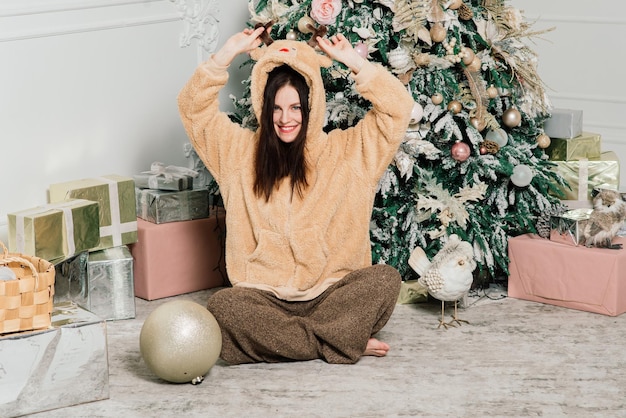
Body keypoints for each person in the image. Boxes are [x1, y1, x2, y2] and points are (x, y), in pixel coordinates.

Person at [178, 25, 414, 364]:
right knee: (224, 307)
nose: (285, 119)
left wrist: (354, 62)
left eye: (295, 108)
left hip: (332, 292)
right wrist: (223, 55)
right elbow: (193, 111)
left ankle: (283, 341)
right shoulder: (238, 154)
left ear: (311, 106)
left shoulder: (349, 152)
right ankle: (337, 341)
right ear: (263, 107)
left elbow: (397, 110)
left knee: (384, 280)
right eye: (276, 108)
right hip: (264, 296)